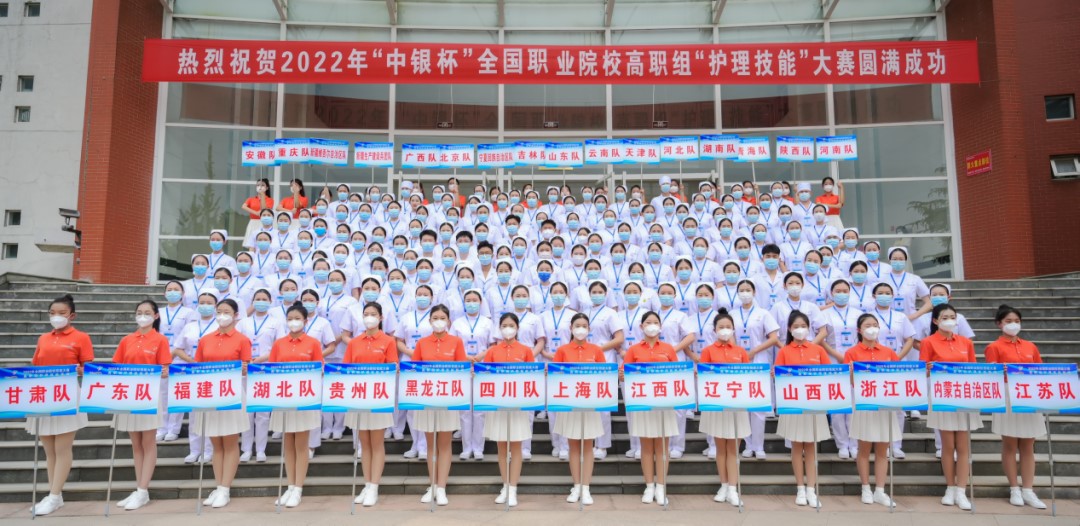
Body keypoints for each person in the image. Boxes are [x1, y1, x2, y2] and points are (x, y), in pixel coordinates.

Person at [26, 295, 94, 516]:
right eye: (52, 313)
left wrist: (79, 370)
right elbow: (35, 364)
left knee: (62, 448)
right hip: (43, 393)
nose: (57, 317)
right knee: (49, 450)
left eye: (62, 313)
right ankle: (55, 494)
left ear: (72, 315)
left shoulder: (81, 337)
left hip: (67, 394)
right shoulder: (43, 338)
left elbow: (89, 368)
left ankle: (54, 496)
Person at [985, 304, 1048, 509]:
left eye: (1017, 321)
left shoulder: (1030, 346)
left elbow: (1040, 370)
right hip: (1008, 397)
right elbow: (991, 374)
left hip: (1029, 396)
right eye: (1008, 321)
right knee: (1010, 445)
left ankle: (1028, 490)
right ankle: (1014, 488)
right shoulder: (994, 347)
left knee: (1028, 445)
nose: (1013, 325)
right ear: (999, 324)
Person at [110, 300, 171, 511]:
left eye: (147, 312)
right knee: (136, 444)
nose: (142, 316)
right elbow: (116, 366)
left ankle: (143, 490)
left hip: (148, 395)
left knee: (148, 442)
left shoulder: (160, 340)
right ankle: (139, 489)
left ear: (155, 316)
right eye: (139, 312)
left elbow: (165, 368)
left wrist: (162, 372)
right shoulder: (127, 340)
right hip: (128, 395)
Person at [920, 303, 979, 511]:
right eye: (944, 317)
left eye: (952, 317)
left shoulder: (965, 342)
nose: (949, 321)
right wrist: (928, 369)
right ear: (935, 321)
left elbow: (973, 368)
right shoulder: (928, 342)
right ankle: (950, 487)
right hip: (942, 396)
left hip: (963, 395)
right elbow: (923, 370)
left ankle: (961, 490)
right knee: (947, 445)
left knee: (963, 446)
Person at [195, 299, 253, 509]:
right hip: (210, 394)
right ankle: (219, 486)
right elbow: (198, 366)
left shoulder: (242, 340)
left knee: (229, 442)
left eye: (226, 312)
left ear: (236, 315)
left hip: (231, 393)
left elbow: (247, 366)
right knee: (216, 444)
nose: (222, 315)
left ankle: (225, 489)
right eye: (219, 311)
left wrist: (244, 368)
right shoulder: (205, 339)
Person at [266, 303, 324, 508]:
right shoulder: (279, 344)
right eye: (290, 318)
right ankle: (290, 486)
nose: (293, 322)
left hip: (304, 399)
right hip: (283, 398)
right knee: (288, 444)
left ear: (306, 321)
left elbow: (319, 369)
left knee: (301, 444)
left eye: (297, 318)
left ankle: (298, 488)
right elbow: (271, 369)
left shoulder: (313, 343)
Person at [774, 310, 832, 509]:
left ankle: (811, 489)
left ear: (809, 328)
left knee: (811, 448)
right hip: (793, 405)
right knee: (797, 447)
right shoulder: (784, 351)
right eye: (796, 326)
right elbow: (778, 378)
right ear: (790, 329)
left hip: (814, 404)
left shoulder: (818, 350)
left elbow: (829, 375)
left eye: (804, 326)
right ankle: (800, 488)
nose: (800, 329)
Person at [342, 302, 398, 506]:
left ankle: (374, 486)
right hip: (358, 397)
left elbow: (393, 366)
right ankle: (366, 484)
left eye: (373, 314)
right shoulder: (354, 342)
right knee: (364, 444)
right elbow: (345, 369)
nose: (369, 317)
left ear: (381, 318)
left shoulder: (388, 341)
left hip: (378, 397)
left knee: (376, 442)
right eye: (366, 314)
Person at [623, 311, 680, 506]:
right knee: (646, 447)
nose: (652, 325)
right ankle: (649, 486)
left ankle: (661, 486)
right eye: (648, 322)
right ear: (641, 326)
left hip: (664, 403)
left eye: (656, 322)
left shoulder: (668, 349)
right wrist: (623, 374)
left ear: (661, 327)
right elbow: (624, 373)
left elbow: (677, 374)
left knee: (662, 446)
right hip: (643, 404)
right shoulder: (634, 349)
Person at [843, 313, 899, 508]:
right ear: (859, 330)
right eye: (868, 325)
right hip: (864, 404)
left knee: (883, 451)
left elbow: (898, 376)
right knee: (864, 449)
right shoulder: (852, 353)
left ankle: (880, 491)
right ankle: (866, 488)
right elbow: (850, 381)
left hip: (885, 405)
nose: (872, 328)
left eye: (875, 324)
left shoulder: (888, 352)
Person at [413, 305, 466, 506]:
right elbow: (414, 369)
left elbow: (461, 369)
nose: (438, 321)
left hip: (447, 398)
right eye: (435, 317)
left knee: (444, 444)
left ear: (449, 321)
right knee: (430, 445)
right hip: (427, 398)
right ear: (429, 321)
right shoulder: (422, 343)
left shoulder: (456, 342)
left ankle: (442, 487)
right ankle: (433, 485)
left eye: (442, 317)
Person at [481, 313, 535, 507]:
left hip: (517, 405)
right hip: (498, 405)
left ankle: (513, 488)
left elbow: (532, 377)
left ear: (517, 328)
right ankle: (505, 485)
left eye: (511, 325)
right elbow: (485, 376)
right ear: (499, 328)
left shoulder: (526, 351)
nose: (508, 329)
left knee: (516, 446)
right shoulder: (493, 351)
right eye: (504, 325)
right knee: (502, 447)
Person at [699, 308, 750, 507]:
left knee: (733, 449)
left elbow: (748, 377)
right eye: (721, 327)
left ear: (734, 329)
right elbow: (703, 376)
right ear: (714, 330)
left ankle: (733, 489)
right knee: (721, 449)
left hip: (737, 405)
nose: (725, 330)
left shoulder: (740, 352)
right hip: (717, 406)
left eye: (728, 326)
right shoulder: (708, 351)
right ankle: (723, 485)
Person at [554, 313, 606, 506]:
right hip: (569, 404)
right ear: (571, 328)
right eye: (577, 325)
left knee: (588, 446)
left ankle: (586, 487)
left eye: (584, 326)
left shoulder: (596, 350)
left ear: (589, 329)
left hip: (589, 404)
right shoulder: (562, 350)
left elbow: (604, 376)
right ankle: (576, 486)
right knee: (573, 446)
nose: (581, 329)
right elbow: (556, 376)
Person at [731, 280, 780, 459]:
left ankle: (759, 446)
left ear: (754, 292)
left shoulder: (763, 313)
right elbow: (729, 336)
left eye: (748, 290)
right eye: (741, 290)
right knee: (743, 406)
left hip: (758, 362)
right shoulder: (732, 314)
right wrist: (738, 352)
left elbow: (773, 338)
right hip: (738, 363)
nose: (745, 293)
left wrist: (753, 351)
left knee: (758, 407)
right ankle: (748, 444)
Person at [157, 281, 197, 442]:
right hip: (161, 358)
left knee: (179, 394)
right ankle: (161, 428)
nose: (172, 292)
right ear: (164, 293)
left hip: (181, 358)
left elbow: (189, 335)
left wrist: (175, 353)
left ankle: (174, 429)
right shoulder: (159, 312)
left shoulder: (189, 313)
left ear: (183, 294)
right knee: (162, 395)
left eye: (176, 289)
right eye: (169, 289)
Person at [242, 178, 274, 249]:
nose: (260, 187)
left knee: (263, 242)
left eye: (262, 185)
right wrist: (256, 213)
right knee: (251, 244)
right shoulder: (251, 199)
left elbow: (264, 209)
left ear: (267, 188)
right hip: (253, 222)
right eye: (258, 185)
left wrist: (262, 197)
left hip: (263, 223)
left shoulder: (270, 200)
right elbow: (244, 206)